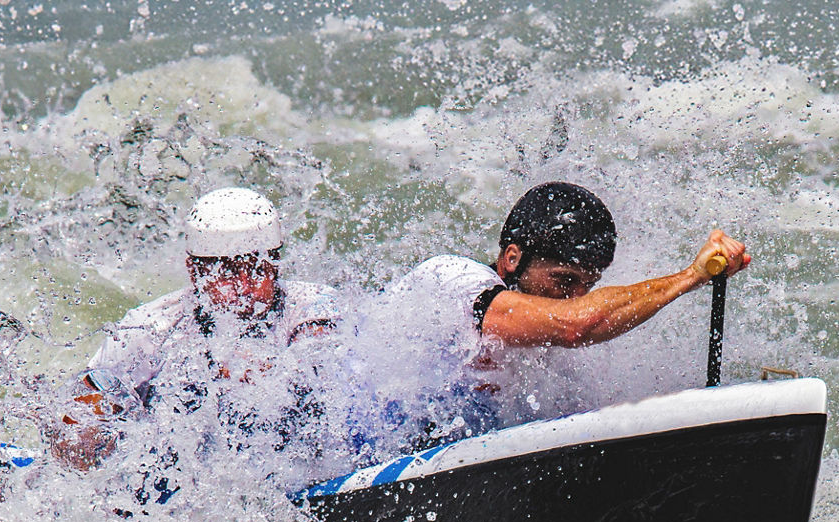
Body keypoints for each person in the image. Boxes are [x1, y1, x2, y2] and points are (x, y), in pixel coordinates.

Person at [343, 181, 749, 461]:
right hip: (342, 453)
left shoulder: (549, 367)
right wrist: (690, 277)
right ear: (512, 258)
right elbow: (576, 325)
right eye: (564, 281)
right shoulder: (451, 280)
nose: (573, 297)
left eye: (587, 285)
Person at [49, 187, 334, 480]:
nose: (245, 287)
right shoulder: (149, 329)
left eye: (258, 269)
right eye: (229, 273)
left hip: (305, 461)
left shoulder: (313, 308)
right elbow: (77, 419)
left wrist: (274, 372)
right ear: (195, 272)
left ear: (276, 264)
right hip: (187, 478)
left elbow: (323, 366)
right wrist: (83, 438)